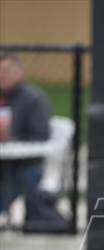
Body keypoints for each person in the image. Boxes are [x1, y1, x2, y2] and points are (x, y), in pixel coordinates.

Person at [0, 52, 50, 213]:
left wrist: (12, 140)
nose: (2, 75)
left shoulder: (33, 99)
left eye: (6, 70)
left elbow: (41, 136)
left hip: (24, 165)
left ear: (19, 72)